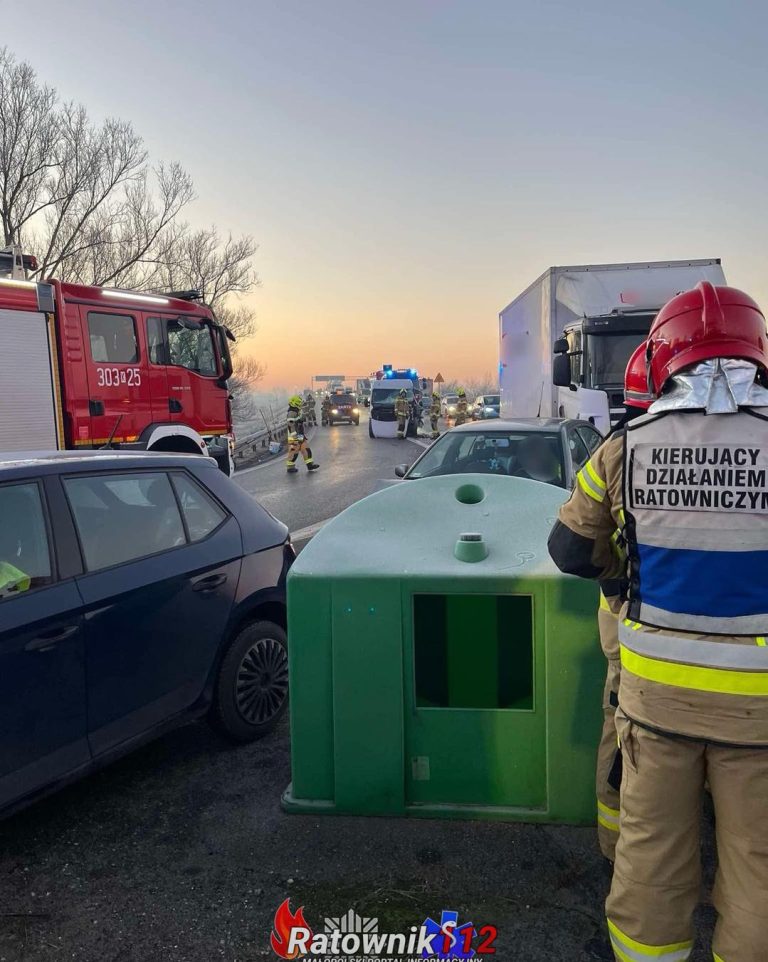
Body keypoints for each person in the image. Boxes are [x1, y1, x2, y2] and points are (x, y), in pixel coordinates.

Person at [548, 282, 768, 962]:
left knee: (650, 862)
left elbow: (568, 550)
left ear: (665, 357)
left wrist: (625, 571)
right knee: (757, 866)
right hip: (760, 712)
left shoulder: (626, 445)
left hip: (655, 702)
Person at [594, 343, 654, 863]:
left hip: (640, 649)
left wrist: (619, 583)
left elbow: (568, 546)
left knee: (623, 747)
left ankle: (616, 856)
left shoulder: (623, 447)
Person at [286, 394, 319, 473]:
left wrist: (302, 417)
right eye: (299, 403)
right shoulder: (291, 412)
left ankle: (310, 465)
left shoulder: (296, 411)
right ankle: (290, 467)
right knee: (294, 451)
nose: (300, 405)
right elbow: (291, 425)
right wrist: (295, 437)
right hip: (294, 436)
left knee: (306, 449)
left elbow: (299, 420)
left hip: (300, 434)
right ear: (295, 403)